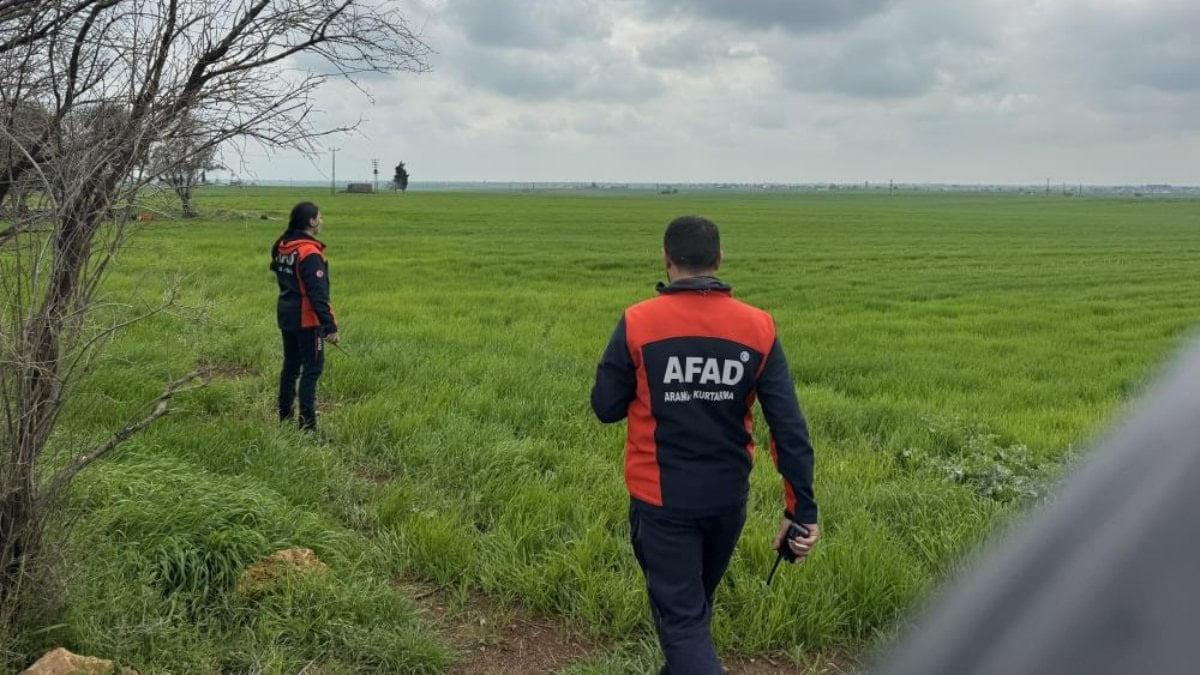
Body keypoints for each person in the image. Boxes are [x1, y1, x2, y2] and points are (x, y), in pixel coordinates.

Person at [590, 215, 819, 674]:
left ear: (666, 259)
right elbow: (789, 428)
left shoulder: (639, 322)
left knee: (682, 622)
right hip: (726, 501)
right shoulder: (758, 328)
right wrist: (801, 513)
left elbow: (606, 407)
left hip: (661, 503)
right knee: (692, 614)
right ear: (719, 259)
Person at [271, 201, 339, 431]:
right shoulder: (309, 252)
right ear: (311, 221)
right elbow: (318, 294)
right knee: (313, 369)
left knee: (290, 365)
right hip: (306, 319)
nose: (322, 221)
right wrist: (329, 326)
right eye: (319, 217)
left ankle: (285, 417)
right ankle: (308, 428)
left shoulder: (282, 245)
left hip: (285, 313)